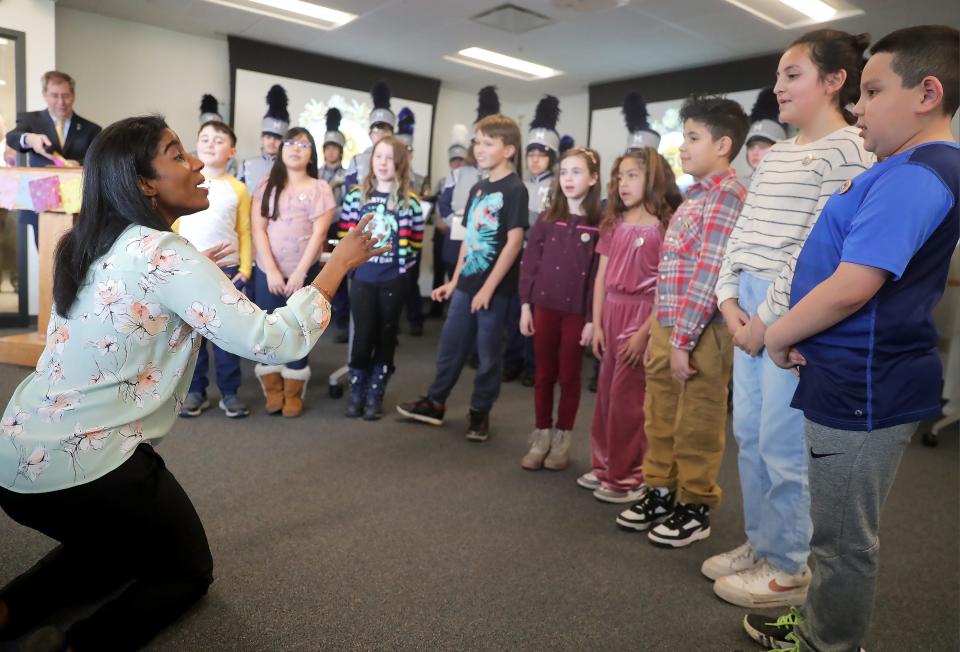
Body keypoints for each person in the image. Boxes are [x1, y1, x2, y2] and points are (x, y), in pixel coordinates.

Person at [0, 115, 384, 652]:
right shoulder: (166, 255)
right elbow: (273, 341)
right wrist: (336, 265)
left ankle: (7, 609)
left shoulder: (90, 244)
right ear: (143, 183)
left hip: (17, 455)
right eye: (178, 154)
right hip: (90, 470)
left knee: (108, 550)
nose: (199, 163)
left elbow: (130, 306)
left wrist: (187, 274)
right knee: (185, 572)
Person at [743, 24, 959, 652]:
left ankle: (827, 644)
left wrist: (778, 334)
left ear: (927, 93)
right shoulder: (900, 167)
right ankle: (821, 625)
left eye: (872, 90)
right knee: (833, 532)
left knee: (841, 541)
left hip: (866, 383)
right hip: (846, 374)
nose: (858, 106)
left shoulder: (920, 173)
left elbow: (851, 286)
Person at [710, 29, 875, 608]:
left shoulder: (852, 149)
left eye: (793, 74)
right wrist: (728, 300)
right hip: (748, 308)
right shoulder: (776, 153)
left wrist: (763, 320)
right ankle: (763, 542)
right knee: (748, 437)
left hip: (792, 311)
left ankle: (790, 567)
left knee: (783, 445)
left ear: (834, 81)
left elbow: (814, 250)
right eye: (778, 75)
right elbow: (743, 236)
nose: (778, 86)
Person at [615, 95, 749, 546]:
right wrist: (663, 331)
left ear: (724, 144)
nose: (683, 147)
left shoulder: (728, 196)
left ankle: (695, 504)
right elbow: (672, 271)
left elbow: (710, 275)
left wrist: (683, 340)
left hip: (701, 331)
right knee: (660, 414)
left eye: (693, 138)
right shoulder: (694, 197)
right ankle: (660, 489)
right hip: (668, 325)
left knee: (697, 420)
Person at [397, 113, 529, 442]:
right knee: (450, 348)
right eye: (477, 142)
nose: (479, 148)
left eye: (488, 143)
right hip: (466, 287)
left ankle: (480, 411)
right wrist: (455, 282)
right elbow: (469, 241)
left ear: (509, 150)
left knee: (487, 356)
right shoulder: (478, 187)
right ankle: (436, 402)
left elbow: (513, 244)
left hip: (495, 292)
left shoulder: (515, 190)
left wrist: (486, 289)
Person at [578, 148, 676, 502]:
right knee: (606, 397)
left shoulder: (664, 226)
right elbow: (601, 278)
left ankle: (630, 475)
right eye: (620, 176)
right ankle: (605, 465)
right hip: (612, 314)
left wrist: (645, 333)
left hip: (641, 318)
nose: (623, 183)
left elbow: (666, 286)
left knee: (629, 402)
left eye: (632, 175)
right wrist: (598, 322)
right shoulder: (613, 222)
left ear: (652, 178)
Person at [518, 147, 602, 471]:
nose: (568, 178)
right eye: (564, 172)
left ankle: (563, 437)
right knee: (543, 374)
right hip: (544, 308)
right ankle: (541, 433)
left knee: (569, 376)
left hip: (577, 313)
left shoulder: (598, 223)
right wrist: (525, 305)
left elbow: (598, 276)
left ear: (593, 178)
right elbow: (530, 264)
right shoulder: (547, 217)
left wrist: (593, 320)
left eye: (577, 172)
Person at [250, 128, 336, 417]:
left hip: (304, 272)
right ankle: (273, 389)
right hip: (267, 272)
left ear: (312, 153)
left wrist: (300, 273)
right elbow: (258, 229)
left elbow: (318, 234)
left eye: (303, 144)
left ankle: (293, 391)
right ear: (281, 148)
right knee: (269, 329)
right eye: (290, 142)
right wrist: (272, 270)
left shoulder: (320, 188)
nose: (295, 148)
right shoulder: (266, 185)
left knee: (300, 330)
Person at [172, 120, 252, 419]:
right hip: (191, 268)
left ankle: (230, 392)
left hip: (228, 270)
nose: (210, 143)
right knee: (193, 336)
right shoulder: (185, 181)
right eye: (204, 138)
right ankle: (195, 391)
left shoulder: (239, 188)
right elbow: (174, 223)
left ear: (231, 151)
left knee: (227, 335)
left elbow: (245, 230)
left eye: (218, 140)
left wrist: (245, 267)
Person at [340, 136, 424, 420]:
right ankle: (358, 390)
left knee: (386, 336)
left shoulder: (409, 203)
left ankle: (376, 392)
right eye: (379, 157)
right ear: (371, 161)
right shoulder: (356, 196)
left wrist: (401, 271)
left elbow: (415, 243)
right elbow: (346, 236)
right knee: (362, 336)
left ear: (400, 163)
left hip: (393, 282)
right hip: (363, 279)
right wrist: (352, 268)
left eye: (390, 158)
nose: (383, 163)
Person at [5, 71, 101, 247]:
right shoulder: (31, 120)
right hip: (41, 200)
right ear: (44, 95)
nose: (61, 102)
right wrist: (30, 139)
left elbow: (99, 160)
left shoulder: (91, 129)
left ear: (73, 95)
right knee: (46, 257)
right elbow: (12, 137)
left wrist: (78, 164)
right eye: (55, 96)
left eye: (66, 96)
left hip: (78, 204)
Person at [504, 95, 562, 386]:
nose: (535, 160)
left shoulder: (558, 188)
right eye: (531, 154)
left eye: (541, 154)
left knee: (536, 314)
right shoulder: (519, 184)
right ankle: (511, 359)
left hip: (543, 261)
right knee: (515, 310)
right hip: (517, 257)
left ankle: (532, 364)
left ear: (552, 157)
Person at [395, 107, 428, 336]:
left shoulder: (420, 180)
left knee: (411, 281)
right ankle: (393, 323)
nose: (406, 153)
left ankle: (416, 320)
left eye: (409, 149)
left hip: (412, 237)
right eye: (402, 149)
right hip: (392, 237)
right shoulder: (387, 178)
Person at [320, 108, 351, 343]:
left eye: (335, 148)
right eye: (328, 148)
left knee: (339, 272)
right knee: (318, 273)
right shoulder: (317, 174)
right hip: (318, 230)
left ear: (340, 151)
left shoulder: (349, 176)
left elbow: (350, 204)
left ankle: (342, 321)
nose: (331, 151)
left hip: (339, 228)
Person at [344, 81, 395, 189]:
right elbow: (349, 191)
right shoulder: (357, 161)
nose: (381, 135)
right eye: (376, 130)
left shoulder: (399, 160)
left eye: (385, 130)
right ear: (370, 134)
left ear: (392, 134)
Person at [240, 85, 289, 197]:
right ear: (261, 138)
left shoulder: (289, 168)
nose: (272, 142)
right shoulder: (246, 165)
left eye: (277, 138)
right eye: (268, 137)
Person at [744, 87, 786, 173]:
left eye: (762, 146)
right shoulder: (742, 185)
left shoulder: (791, 184)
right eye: (751, 147)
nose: (755, 153)